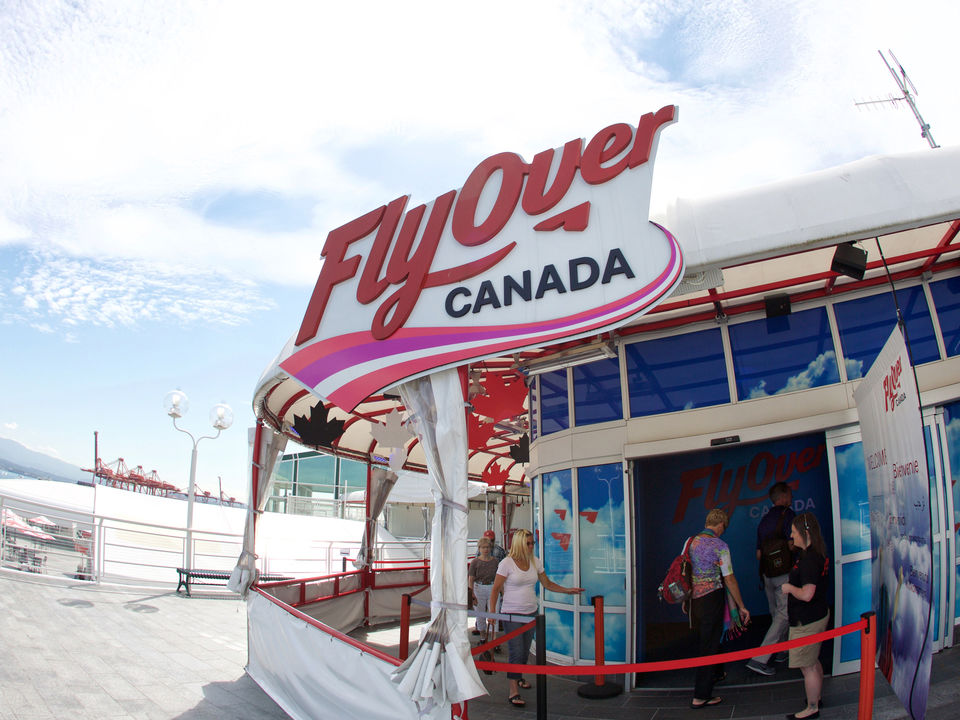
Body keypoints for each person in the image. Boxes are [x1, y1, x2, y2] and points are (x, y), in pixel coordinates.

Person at [487, 528, 583, 708]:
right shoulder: (506, 563)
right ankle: (513, 689)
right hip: (512, 614)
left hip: (531, 613)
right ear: (519, 544)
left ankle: (519, 676)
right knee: (516, 651)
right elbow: (495, 589)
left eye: (533, 543)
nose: (531, 546)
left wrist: (567, 591)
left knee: (524, 650)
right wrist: (492, 613)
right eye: (528, 543)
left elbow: (547, 583)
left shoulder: (535, 561)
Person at [688, 508, 751, 710]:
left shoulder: (691, 541)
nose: (724, 531)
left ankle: (716, 674)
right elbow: (729, 578)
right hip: (712, 599)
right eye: (724, 527)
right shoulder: (720, 546)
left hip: (695, 601)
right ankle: (701, 696)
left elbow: (686, 570)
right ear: (721, 525)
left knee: (708, 640)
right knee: (708, 646)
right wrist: (741, 606)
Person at [781, 512, 830, 720]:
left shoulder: (809, 560)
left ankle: (812, 708)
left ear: (806, 533)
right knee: (813, 660)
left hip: (807, 620)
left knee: (807, 666)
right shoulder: (814, 553)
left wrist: (789, 588)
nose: (792, 536)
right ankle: (816, 697)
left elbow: (807, 594)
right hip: (816, 615)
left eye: (794, 532)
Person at [747, 481, 795, 676]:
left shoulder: (764, 521)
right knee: (784, 614)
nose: (791, 498)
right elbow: (792, 545)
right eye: (789, 494)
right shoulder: (789, 515)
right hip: (784, 573)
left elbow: (759, 554)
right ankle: (759, 658)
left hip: (767, 574)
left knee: (776, 613)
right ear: (783, 497)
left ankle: (782, 650)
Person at [468, 535, 499, 637]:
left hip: (492, 587)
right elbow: (471, 578)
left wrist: (502, 591)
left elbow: (499, 577)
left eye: (488, 547)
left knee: (494, 612)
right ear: (479, 548)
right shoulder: (475, 562)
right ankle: (482, 637)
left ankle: (494, 638)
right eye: (483, 547)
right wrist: (472, 593)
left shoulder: (495, 561)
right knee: (480, 613)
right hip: (479, 588)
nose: (486, 549)